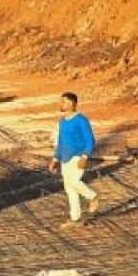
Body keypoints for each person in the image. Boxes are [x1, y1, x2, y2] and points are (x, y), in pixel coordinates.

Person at [50, 92, 99, 230]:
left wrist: (85, 156)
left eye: (64, 102)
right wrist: (55, 158)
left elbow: (90, 140)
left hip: (78, 156)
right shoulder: (62, 121)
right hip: (65, 157)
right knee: (70, 189)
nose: (62, 104)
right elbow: (60, 142)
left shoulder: (81, 120)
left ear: (72, 103)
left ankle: (92, 196)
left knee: (74, 182)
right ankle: (75, 218)